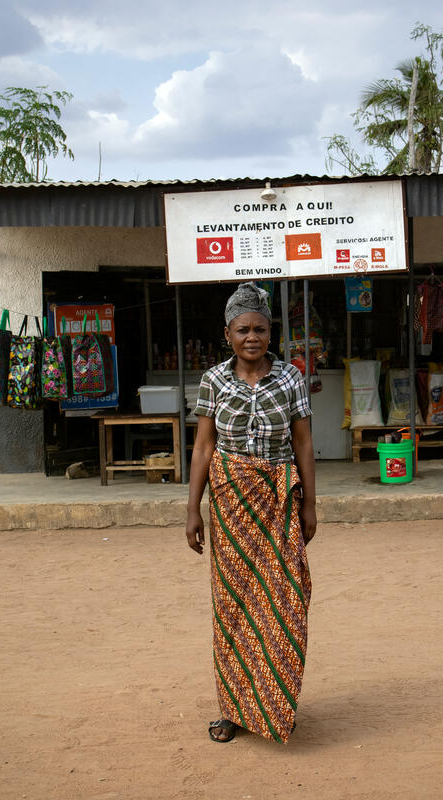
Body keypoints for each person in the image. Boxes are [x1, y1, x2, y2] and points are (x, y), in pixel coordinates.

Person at [185, 282, 317, 744]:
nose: (252, 337)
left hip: (280, 502)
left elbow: (302, 442)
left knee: (283, 602)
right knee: (235, 605)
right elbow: (203, 448)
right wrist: (192, 510)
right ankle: (233, 709)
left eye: (260, 328)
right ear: (228, 334)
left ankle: (275, 704)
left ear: (271, 331)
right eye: (243, 329)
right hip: (230, 505)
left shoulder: (291, 379)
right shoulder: (213, 381)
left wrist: (311, 506)